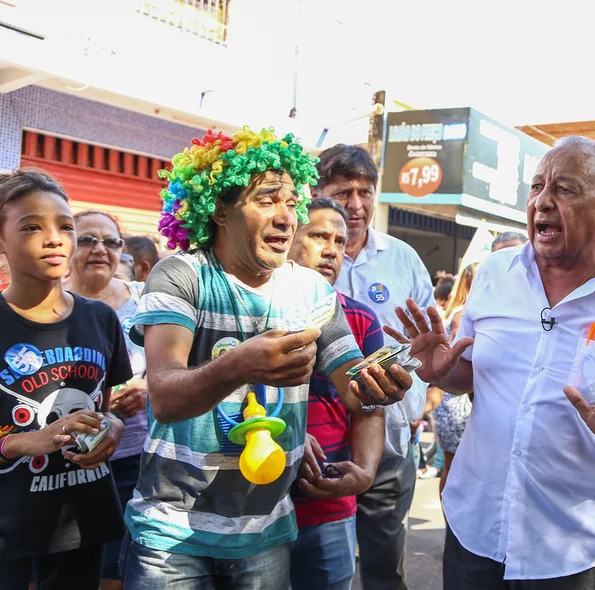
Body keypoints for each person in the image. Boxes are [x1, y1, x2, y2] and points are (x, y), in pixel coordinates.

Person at [388, 136, 595, 589]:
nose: (543, 202)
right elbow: (467, 374)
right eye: (536, 187)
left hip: (572, 547)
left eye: (565, 190)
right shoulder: (494, 274)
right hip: (476, 525)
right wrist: (440, 372)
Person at [122, 128, 412, 588]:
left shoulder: (312, 291)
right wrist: (239, 364)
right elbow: (165, 396)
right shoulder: (180, 274)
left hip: (266, 532)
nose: (286, 217)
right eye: (266, 200)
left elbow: (356, 391)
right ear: (218, 209)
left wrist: (387, 381)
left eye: (293, 202)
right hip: (172, 533)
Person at [0, 170, 133, 589]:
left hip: (82, 521)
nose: (55, 238)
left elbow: (103, 410)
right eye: (32, 227)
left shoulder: (100, 318)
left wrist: (112, 426)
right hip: (10, 528)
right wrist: (23, 442)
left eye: (65, 226)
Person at [317, 143, 435, 590]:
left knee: (384, 564)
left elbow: (426, 343)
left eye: (365, 192)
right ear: (319, 191)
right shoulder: (300, 254)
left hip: (388, 442)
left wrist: (412, 406)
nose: (356, 204)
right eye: (343, 191)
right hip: (320, 440)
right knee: (322, 563)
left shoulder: (402, 258)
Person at [287, 197, 386, 590]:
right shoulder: (255, 307)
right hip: (255, 506)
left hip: (330, 506)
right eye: (318, 236)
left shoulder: (361, 318)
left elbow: (371, 407)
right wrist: (287, 432)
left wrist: (363, 473)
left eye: (341, 241)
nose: (331, 249)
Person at [64, 210, 150, 590]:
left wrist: (149, 390)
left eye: (111, 242)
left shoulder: (145, 300)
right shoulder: (48, 303)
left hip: (135, 459)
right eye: (87, 240)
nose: (100, 249)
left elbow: (184, 360)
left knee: (116, 572)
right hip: (63, 463)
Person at [430, 262, 478, 496]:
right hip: (457, 400)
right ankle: (451, 523)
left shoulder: (462, 310)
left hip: (453, 397)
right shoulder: (464, 314)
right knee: (456, 465)